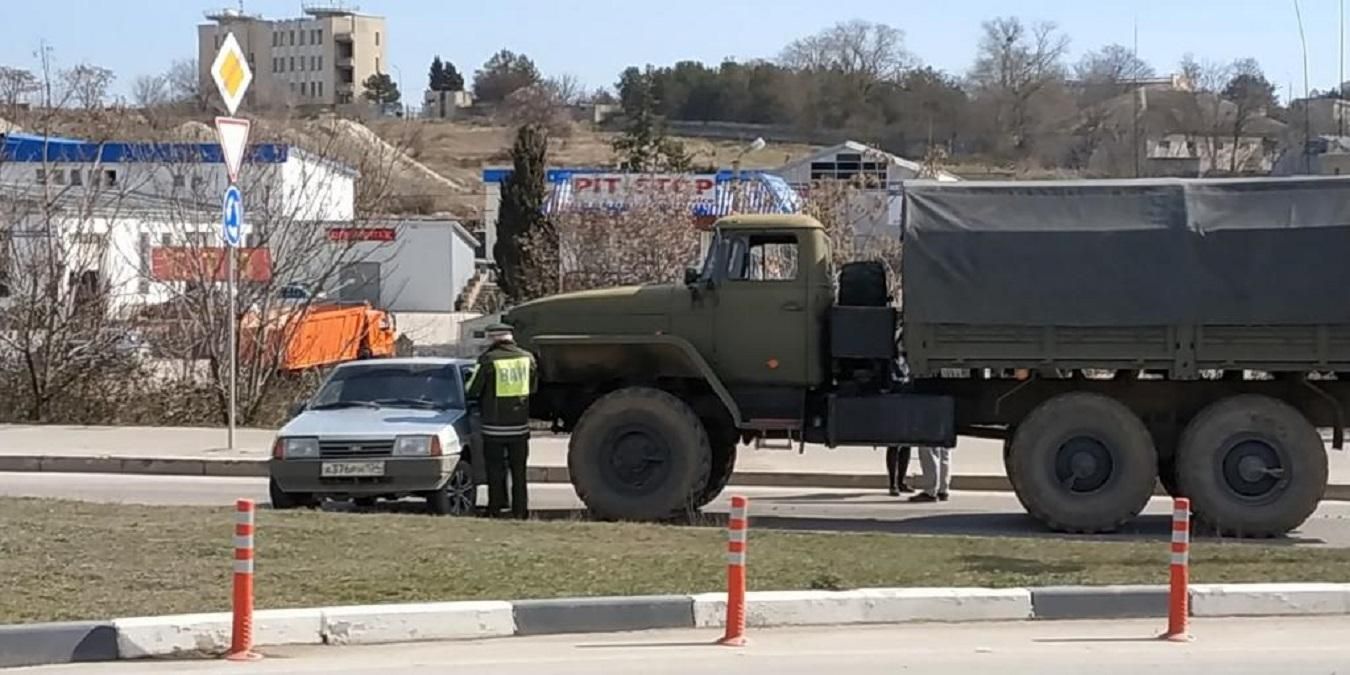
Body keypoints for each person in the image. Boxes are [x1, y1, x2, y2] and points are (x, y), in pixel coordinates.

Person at [465, 323, 537, 519]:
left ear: (493, 338)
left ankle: (496, 508)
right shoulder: (527, 358)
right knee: (519, 472)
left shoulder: (488, 360)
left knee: (495, 469)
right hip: (520, 426)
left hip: (494, 427)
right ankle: (520, 511)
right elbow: (532, 387)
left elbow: (472, 389)